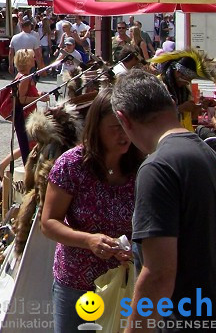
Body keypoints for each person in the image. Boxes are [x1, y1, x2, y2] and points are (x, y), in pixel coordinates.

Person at [111, 69, 216, 331]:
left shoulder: (156, 169)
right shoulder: (211, 157)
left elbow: (159, 276)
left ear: (124, 120)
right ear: (172, 104)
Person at [40, 88, 143, 333]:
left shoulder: (141, 165)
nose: (123, 134)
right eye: (115, 126)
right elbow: (49, 223)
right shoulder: (72, 165)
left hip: (125, 280)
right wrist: (89, 240)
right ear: (96, 127)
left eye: (127, 125)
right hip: (77, 282)